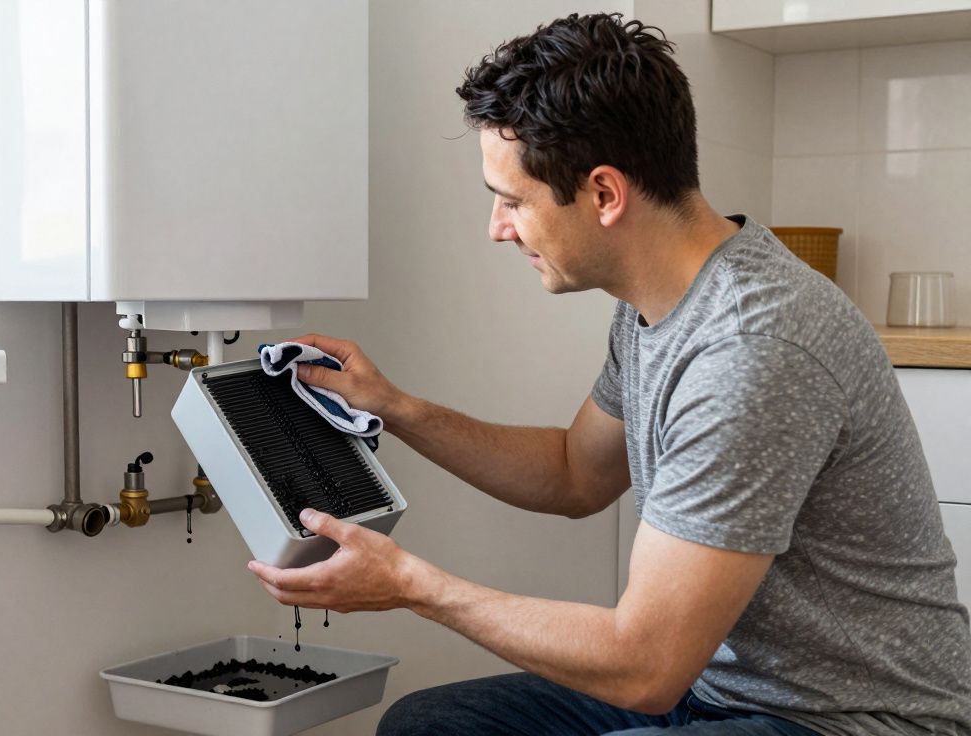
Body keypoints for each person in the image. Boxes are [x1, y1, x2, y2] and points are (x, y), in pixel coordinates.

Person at [245, 13, 971, 736]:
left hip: (849, 720)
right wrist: (396, 407)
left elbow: (645, 668)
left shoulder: (752, 348)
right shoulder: (659, 304)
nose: (497, 227)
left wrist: (410, 585)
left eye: (512, 200)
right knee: (433, 725)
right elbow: (574, 474)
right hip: (716, 689)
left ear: (603, 194)